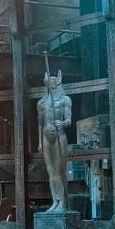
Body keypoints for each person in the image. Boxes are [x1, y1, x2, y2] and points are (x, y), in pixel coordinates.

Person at [37, 70, 72, 212]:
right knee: (50, 172)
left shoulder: (65, 100)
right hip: (46, 136)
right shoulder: (41, 103)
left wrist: (62, 123)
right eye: (48, 80)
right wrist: (40, 142)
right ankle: (55, 201)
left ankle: (62, 202)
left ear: (56, 82)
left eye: (52, 80)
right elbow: (40, 124)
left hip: (59, 135)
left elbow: (69, 120)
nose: (49, 82)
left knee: (58, 171)